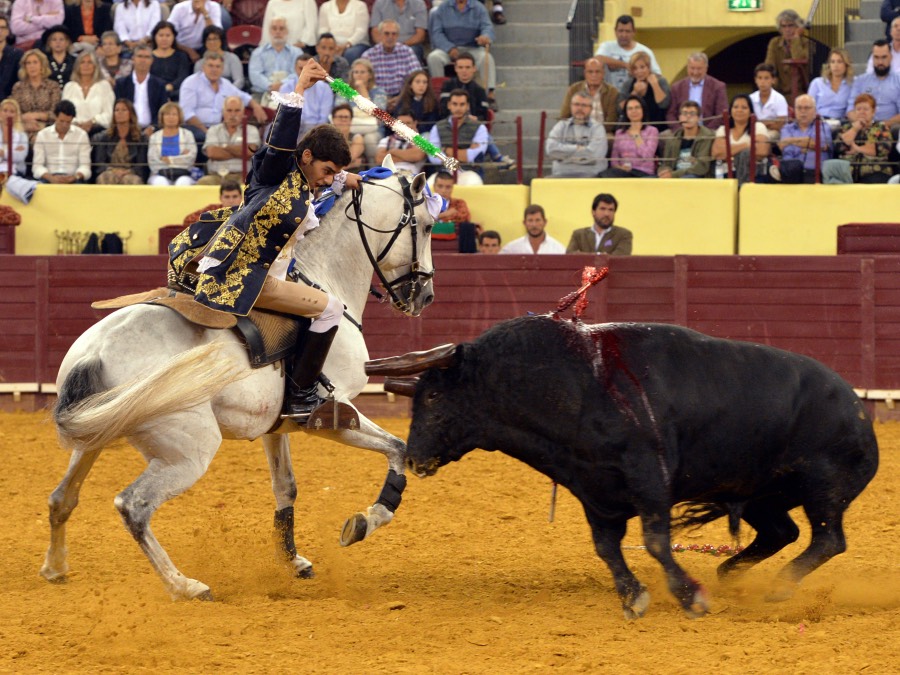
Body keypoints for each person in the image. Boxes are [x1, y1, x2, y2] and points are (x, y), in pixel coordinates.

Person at [188, 58, 362, 421]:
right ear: (307, 156)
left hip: (256, 271)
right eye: (326, 171)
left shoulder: (302, 183)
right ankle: (302, 397)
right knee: (331, 308)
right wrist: (298, 90)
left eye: (334, 173)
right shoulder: (275, 170)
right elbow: (282, 144)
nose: (327, 179)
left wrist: (348, 179)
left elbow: (329, 181)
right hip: (250, 277)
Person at [180, 52, 267, 140]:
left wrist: (256, 106)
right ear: (203, 68)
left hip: (219, 129)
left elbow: (244, 97)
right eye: (210, 66)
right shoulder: (191, 83)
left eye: (218, 66)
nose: (214, 70)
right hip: (196, 128)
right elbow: (187, 114)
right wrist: (208, 133)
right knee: (206, 138)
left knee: (239, 139)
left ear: (222, 69)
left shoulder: (225, 84)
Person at [427, 0, 496, 97]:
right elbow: (437, 33)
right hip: (448, 48)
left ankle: (490, 95)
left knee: (486, 58)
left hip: (472, 47)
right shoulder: (443, 8)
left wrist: (484, 36)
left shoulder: (479, 7)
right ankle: (439, 94)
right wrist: (449, 48)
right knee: (434, 57)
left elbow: (487, 27)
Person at [825, 93, 894, 184]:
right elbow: (839, 147)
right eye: (858, 109)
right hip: (847, 173)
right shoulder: (846, 128)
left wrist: (856, 148)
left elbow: (880, 150)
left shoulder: (879, 127)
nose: (862, 112)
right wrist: (855, 129)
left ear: (873, 111)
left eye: (866, 109)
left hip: (875, 172)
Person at [768, 94, 832, 184]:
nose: (803, 111)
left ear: (815, 111)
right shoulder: (787, 128)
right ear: (794, 110)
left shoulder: (822, 126)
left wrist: (790, 141)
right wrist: (806, 146)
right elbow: (785, 148)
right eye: (799, 108)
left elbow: (818, 144)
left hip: (815, 173)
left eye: (807, 108)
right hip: (790, 172)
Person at [197, 94, 261, 184]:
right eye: (229, 110)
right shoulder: (213, 130)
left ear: (243, 112)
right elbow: (212, 152)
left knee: (249, 183)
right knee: (202, 183)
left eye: (237, 110)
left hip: (243, 176)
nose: (233, 114)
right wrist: (239, 151)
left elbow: (248, 152)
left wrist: (223, 147)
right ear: (223, 112)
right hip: (216, 176)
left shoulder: (251, 130)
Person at [545, 90, 607, 177]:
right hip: (561, 175)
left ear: (591, 109)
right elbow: (551, 149)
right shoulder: (561, 125)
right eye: (576, 104)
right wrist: (578, 148)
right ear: (571, 106)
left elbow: (594, 155)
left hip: (590, 175)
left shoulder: (597, 128)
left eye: (584, 105)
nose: (580, 108)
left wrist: (565, 157)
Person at [593, 15, 661, 93]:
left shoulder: (645, 51)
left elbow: (657, 75)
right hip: (610, 96)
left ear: (634, 32)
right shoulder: (607, 47)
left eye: (627, 31)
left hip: (636, 98)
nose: (623, 35)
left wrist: (640, 73)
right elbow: (596, 59)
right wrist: (625, 65)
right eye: (621, 31)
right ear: (615, 31)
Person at [336, 57, 387, 161]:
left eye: (362, 72)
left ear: (370, 75)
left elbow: (379, 117)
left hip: (374, 130)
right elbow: (339, 113)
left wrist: (363, 90)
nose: (358, 75)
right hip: (350, 130)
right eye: (356, 72)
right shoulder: (344, 90)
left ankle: (375, 170)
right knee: (356, 137)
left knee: (369, 139)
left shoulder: (379, 92)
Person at [711, 93, 769, 182]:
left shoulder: (758, 127)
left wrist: (730, 153)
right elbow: (717, 154)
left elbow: (762, 151)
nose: (739, 110)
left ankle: (742, 188)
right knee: (746, 152)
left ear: (751, 112)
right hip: (727, 173)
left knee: (745, 154)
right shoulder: (723, 129)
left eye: (744, 107)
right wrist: (747, 145)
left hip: (754, 174)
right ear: (730, 110)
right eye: (736, 107)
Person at [91, 98, 149, 184]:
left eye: (124, 110)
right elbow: (100, 163)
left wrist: (127, 172)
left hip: (131, 173)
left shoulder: (141, 138)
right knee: (105, 178)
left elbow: (141, 165)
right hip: (110, 172)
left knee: (131, 180)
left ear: (131, 114)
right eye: (117, 110)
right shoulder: (104, 137)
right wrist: (113, 171)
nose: (119, 112)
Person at [32, 99, 91, 182]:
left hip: (73, 179)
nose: (64, 125)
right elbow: (37, 167)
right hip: (48, 178)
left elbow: (85, 167)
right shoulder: (43, 135)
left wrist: (74, 177)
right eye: (61, 121)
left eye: (68, 122)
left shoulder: (81, 135)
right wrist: (51, 178)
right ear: (55, 117)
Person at [665, 52, 727, 130]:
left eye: (699, 69)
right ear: (687, 68)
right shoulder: (676, 87)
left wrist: (705, 132)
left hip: (709, 132)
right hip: (681, 131)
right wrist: (680, 131)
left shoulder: (718, 87)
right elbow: (670, 114)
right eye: (692, 68)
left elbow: (721, 115)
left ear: (706, 68)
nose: (695, 72)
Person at [115, 44, 167, 135]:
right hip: (127, 130)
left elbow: (162, 111)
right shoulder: (121, 84)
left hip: (153, 131)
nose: (143, 60)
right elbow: (118, 109)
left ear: (152, 60)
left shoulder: (159, 85)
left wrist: (153, 127)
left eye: (147, 57)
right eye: (140, 56)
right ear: (133, 59)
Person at [427, 88, 487, 166]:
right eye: (455, 104)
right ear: (449, 105)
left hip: (470, 171)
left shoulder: (480, 128)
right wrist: (465, 153)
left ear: (467, 106)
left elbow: (476, 156)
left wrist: (445, 149)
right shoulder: (437, 127)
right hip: (443, 172)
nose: (458, 108)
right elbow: (433, 157)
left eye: (462, 104)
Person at [847, 40, 900, 127]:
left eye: (884, 57)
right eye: (876, 57)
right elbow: (850, 111)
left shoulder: (898, 81)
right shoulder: (860, 81)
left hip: (890, 128)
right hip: (863, 127)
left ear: (891, 57)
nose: (880, 62)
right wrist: (863, 124)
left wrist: (881, 126)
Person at [559, 57, 619, 134]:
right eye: (590, 72)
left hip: (603, 133)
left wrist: (594, 132)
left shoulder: (612, 92)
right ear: (585, 74)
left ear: (603, 73)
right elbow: (564, 116)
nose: (594, 75)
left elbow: (612, 121)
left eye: (597, 72)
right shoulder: (574, 89)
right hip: (576, 130)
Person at [248, 17, 303, 99]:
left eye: (281, 29)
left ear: (287, 32)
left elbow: (299, 74)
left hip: (290, 93)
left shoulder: (297, 53)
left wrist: (282, 85)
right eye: (274, 28)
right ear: (269, 32)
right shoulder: (258, 53)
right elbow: (255, 75)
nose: (278, 32)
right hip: (262, 93)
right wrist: (270, 86)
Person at [360, 20, 420, 97]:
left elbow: (416, 76)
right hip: (376, 97)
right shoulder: (368, 56)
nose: (390, 37)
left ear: (398, 36)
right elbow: (362, 82)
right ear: (380, 35)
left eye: (394, 34)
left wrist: (400, 98)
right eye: (386, 33)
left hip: (403, 97)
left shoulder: (407, 52)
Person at [279, 53, 335, 134]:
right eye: (300, 68)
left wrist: (314, 133)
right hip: (292, 128)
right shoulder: (285, 87)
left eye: (307, 69)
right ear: (295, 68)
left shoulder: (325, 88)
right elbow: (285, 116)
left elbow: (324, 118)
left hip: (316, 130)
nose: (303, 72)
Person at [11, 48, 61, 139]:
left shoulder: (53, 86)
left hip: (48, 129)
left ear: (42, 65)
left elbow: (56, 114)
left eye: (35, 62)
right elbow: (13, 112)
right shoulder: (18, 87)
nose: (31, 66)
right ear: (24, 67)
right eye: (28, 63)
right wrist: (25, 120)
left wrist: (35, 116)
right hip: (23, 128)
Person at [657, 100, 714, 179]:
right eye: (684, 113)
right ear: (680, 117)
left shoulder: (706, 136)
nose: (688, 116)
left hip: (696, 177)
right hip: (674, 176)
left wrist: (674, 175)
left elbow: (702, 167)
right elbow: (666, 164)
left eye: (692, 113)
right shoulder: (673, 138)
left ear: (698, 118)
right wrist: (664, 172)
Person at [62, 50, 115, 135]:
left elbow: (109, 114)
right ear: (77, 66)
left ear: (95, 66)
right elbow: (64, 114)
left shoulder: (104, 86)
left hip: (98, 131)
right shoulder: (69, 86)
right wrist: (77, 124)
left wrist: (92, 122)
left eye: (89, 62)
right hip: (73, 130)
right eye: (82, 62)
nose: (86, 65)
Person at [764, 9, 810, 106]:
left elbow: (798, 60)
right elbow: (769, 66)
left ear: (798, 27)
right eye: (784, 26)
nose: (787, 29)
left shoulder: (806, 43)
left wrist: (796, 39)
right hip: (779, 92)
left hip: (801, 92)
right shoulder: (775, 42)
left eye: (790, 25)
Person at [604, 94, 658, 177]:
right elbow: (614, 160)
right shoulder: (619, 133)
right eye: (630, 108)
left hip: (644, 173)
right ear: (626, 112)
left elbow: (647, 156)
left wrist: (636, 135)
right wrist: (621, 168)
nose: (634, 111)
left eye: (637, 107)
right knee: (606, 174)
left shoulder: (652, 131)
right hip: (623, 172)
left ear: (643, 110)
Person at [566, 193, 632, 256]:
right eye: (602, 209)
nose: (607, 214)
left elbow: (618, 260)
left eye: (611, 210)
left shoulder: (623, 235)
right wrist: (601, 256)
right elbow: (570, 257)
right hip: (583, 268)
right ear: (593, 212)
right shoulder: (579, 235)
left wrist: (585, 256)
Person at [616, 51, 670, 126]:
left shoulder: (661, 81)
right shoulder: (628, 84)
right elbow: (620, 109)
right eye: (635, 68)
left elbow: (664, 104)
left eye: (642, 67)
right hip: (633, 128)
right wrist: (634, 92)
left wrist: (655, 85)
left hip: (659, 128)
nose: (639, 71)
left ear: (648, 67)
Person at [369, 0, 427, 65]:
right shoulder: (379, 3)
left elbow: (420, 35)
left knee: (412, 51)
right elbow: (375, 32)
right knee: (376, 53)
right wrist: (387, 45)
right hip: (385, 44)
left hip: (410, 45)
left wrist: (400, 46)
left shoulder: (419, 3)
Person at [807, 48, 853, 125]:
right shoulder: (817, 83)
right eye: (832, 62)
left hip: (841, 123)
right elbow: (808, 107)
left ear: (846, 64)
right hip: (819, 122)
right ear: (829, 65)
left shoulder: (852, 83)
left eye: (839, 62)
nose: (836, 65)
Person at [149, 20, 193, 101]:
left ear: (173, 37)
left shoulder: (181, 56)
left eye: (168, 35)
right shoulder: (148, 56)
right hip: (154, 93)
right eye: (161, 35)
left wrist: (170, 86)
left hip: (176, 93)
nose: (164, 39)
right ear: (155, 36)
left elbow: (182, 76)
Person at [318, 0, 371, 65]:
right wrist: (331, 46)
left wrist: (345, 45)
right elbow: (323, 29)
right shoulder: (325, 6)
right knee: (324, 52)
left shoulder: (360, 6)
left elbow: (361, 31)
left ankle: (346, 74)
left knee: (350, 54)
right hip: (332, 44)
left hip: (355, 44)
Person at [438, 51, 489, 119]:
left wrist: (476, 118)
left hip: (472, 125)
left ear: (474, 69)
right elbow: (443, 109)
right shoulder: (448, 85)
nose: (464, 71)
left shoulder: (480, 90)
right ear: (455, 68)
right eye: (460, 67)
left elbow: (484, 115)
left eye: (467, 67)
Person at [193, 25, 245, 91]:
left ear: (221, 40)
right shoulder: (199, 64)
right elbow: (198, 83)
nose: (212, 42)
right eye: (209, 39)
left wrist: (225, 92)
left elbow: (239, 80)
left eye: (215, 39)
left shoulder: (232, 58)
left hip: (229, 94)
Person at [431, 169, 476, 242]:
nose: (443, 190)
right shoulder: (426, 203)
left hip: (456, 242)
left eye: (448, 187)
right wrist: (445, 215)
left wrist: (434, 217)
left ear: (452, 188)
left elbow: (464, 217)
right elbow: (420, 220)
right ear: (434, 187)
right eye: (440, 186)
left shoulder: (459, 203)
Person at [500, 204, 565, 255]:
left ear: (545, 222)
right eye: (530, 220)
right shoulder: (511, 249)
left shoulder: (559, 249)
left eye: (538, 220)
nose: (534, 225)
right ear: (524, 223)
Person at [749, 63, 788, 139]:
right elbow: (747, 122)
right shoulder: (750, 98)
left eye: (766, 78)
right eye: (760, 78)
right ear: (755, 80)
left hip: (773, 132)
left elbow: (781, 124)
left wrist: (759, 123)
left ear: (773, 80)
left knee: (762, 139)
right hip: (753, 131)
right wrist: (768, 123)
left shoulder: (780, 99)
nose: (762, 81)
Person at [330, 102, 365, 169]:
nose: (343, 119)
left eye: (346, 117)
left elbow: (347, 160)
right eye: (340, 117)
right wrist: (352, 165)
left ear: (351, 120)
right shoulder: (327, 139)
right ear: (333, 119)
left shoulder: (357, 138)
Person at [0, 98, 30, 175]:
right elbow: (15, 155)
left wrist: (3, 153)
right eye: (5, 110)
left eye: (12, 111)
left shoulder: (22, 135)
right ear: (0, 112)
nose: (8, 114)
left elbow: (20, 157)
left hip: (16, 171)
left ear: (17, 115)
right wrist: (12, 152)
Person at [42, 24, 75, 88]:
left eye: (61, 39)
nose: (58, 42)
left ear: (67, 42)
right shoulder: (44, 61)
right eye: (54, 39)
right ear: (49, 43)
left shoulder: (75, 60)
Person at [0, 18, 24, 101]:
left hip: (10, 104)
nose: (0, 31)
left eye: (2, 28)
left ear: (8, 31)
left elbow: (21, 82)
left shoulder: (17, 54)